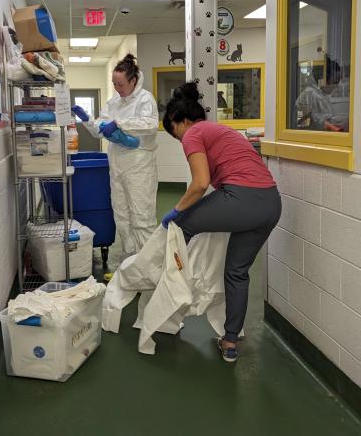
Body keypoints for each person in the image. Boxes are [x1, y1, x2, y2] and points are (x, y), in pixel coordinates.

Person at [161, 82, 281, 362]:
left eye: (175, 131)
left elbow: (200, 183)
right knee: (237, 272)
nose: (179, 140)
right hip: (271, 205)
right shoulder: (222, 130)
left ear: (184, 121)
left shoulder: (194, 133)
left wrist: (177, 211)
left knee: (181, 226)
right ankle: (230, 341)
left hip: (242, 199)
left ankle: (169, 301)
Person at [72, 54, 159, 261]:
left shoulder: (145, 98)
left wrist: (120, 124)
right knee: (122, 216)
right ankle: (130, 262)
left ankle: (148, 265)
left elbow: (151, 124)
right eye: (114, 84)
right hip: (118, 165)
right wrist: (87, 121)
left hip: (139, 166)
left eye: (120, 84)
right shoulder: (113, 102)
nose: (117, 88)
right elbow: (101, 130)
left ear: (133, 81)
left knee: (141, 217)